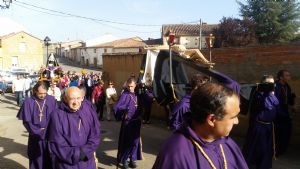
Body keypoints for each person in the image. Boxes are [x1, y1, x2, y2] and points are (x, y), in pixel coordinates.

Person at [152, 83, 248, 169]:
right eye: (233, 117)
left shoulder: (228, 144)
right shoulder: (176, 154)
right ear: (211, 120)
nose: (237, 121)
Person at [47, 87, 100, 169]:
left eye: (78, 98)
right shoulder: (56, 115)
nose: (76, 102)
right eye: (72, 99)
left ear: (82, 98)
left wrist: (84, 152)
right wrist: (76, 154)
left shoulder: (88, 111)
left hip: (87, 161)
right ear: (65, 99)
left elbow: (95, 134)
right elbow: (56, 143)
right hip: (66, 164)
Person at [16, 81, 57, 169]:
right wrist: (38, 131)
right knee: (36, 160)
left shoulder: (51, 100)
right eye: (40, 93)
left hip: (49, 136)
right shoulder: (28, 102)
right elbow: (26, 122)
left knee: (50, 159)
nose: (42, 96)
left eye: (44, 93)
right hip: (35, 137)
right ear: (35, 91)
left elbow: (57, 117)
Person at [242, 75, 279, 169]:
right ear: (263, 84)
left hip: (268, 126)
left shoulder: (271, 93)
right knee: (254, 147)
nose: (271, 85)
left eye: (272, 83)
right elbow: (268, 105)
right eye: (268, 83)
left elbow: (277, 103)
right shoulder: (258, 93)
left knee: (266, 149)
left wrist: (271, 93)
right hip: (259, 126)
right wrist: (269, 93)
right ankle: (246, 164)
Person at [114, 78, 143, 169]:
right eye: (129, 86)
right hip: (128, 123)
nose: (130, 88)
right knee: (128, 142)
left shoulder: (138, 95)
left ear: (135, 86)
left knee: (135, 142)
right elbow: (117, 107)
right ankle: (124, 159)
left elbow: (147, 101)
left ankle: (132, 159)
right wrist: (123, 110)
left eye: (132, 86)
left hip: (136, 122)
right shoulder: (125, 95)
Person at [274, 69, 296, 156]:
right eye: (287, 75)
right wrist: (282, 114)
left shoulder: (287, 86)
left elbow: (289, 100)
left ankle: (281, 150)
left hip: (285, 113)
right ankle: (275, 151)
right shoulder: (276, 86)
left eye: (289, 75)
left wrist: (292, 99)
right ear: (281, 77)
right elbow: (275, 102)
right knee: (278, 133)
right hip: (277, 114)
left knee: (286, 132)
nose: (289, 77)